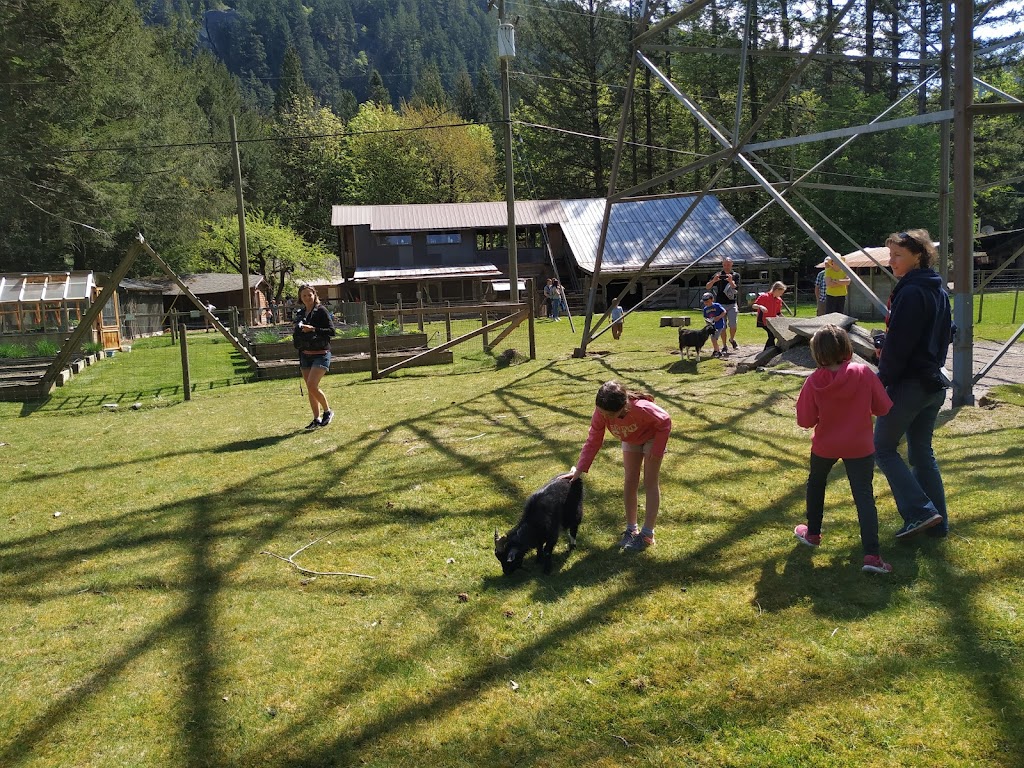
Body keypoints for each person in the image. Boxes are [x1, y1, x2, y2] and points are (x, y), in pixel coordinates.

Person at [795, 325, 894, 573]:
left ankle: (813, 534)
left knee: (816, 484)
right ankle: (872, 555)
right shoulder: (864, 373)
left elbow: (805, 421)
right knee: (863, 495)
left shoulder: (813, 381)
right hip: (859, 445)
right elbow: (883, 408)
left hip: (825, 445)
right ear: (846, 347)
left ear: (817, 353)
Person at [873, 229, 952, 540]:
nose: (891, 261)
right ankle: (938, 525)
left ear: (919, 256)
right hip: (933, 381)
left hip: (910, 384)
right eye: (890, 255)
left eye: (898, 256)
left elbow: (900, 348)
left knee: (882, 448)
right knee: (921, 454)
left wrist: (880, 383)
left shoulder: (910, 292)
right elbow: (949, 332)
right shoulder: (938, 289)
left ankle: (920, 512)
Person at [562, 381, 672, 551]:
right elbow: (594, 439)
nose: (604, 417)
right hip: (630, 438)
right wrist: (580, 468)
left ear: (623, 407)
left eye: (609, 415)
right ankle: (631, 529)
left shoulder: (642, 408)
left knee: (649, 482)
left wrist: (657, 451)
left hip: (652, 437)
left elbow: (665, 420)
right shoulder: (601, 413)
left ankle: (647, 534)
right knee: (630, 480)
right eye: (601, 412)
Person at [293, 284, 335, 431]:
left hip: (321, 354)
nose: (307, 298)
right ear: (300, 297)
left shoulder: (321, 311)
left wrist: (314, 329)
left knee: (312, 385)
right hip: (305, 354)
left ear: (314, 295)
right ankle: (316, 419)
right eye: (304, 295)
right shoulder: (301, 313)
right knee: (310, 389)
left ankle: (328, 411)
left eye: (309, 295)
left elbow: (332, 331)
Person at [705, 257, 741, 350]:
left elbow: (735, 288)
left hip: (732, 303)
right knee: (722, 326)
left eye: (728, 264)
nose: (726, 266)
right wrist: (714, 281)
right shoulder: (718, 274)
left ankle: (732, 339)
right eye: (725, 265)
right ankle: (724, 345)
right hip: (720, 304)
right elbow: (708, 287)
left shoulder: (736, 275)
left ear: (732, 264)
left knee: (733, 325)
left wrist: (730, 281)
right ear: (722, 265)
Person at [752, 281, 787, 350]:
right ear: (776, 290)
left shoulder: (779, 300)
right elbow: (754, 305)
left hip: (772, 321)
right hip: (763, 320)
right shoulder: (764, 296)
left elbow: (778, 313)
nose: (781, 294)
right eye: (780, 293)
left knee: (772, 335)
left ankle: (768, 349)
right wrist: (760, 306)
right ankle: (769, 349)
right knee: (772, 334)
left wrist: (785, 320)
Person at [701, 292, 728, 358]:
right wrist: (708, 323)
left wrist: (719, 317)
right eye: (704, 302)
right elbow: (705, 317)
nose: (706, 303)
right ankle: (717, 351)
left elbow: (724, 312)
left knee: (713, 338)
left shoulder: (717, 305)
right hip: (712, 326)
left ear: (712, 299)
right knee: (713, 338)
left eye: (707, 301)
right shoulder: (705, 309)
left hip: (719, 325)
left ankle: (717, 351)